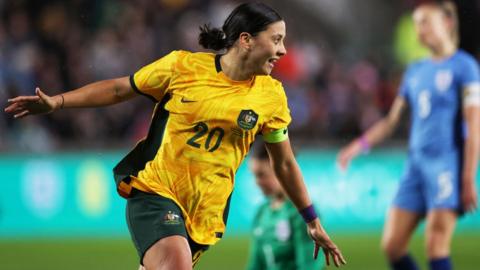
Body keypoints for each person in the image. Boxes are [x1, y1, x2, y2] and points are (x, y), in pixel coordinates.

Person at [5, 2, 346, 270]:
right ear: (246, 40)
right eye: (276, 39)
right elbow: (120, 89)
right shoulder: (183, 67)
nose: (284, 50)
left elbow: (284, 163)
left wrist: (311, 220)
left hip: (204, 215)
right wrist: (58, 102)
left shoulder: (271, 96)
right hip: (155, 191)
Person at [338, 1, 479, 270]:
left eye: (425, 21)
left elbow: (474, 126)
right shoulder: (415, 71)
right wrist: (358, 145)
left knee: (436, 245)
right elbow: (392, 121)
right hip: (415, 165)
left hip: (446, 163)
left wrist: (468, 177)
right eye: (416, 24)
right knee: (392, 246)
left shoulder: (465, 67)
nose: (419, 30)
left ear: (447, 22)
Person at [247, 142, 325, 270]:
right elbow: (255, 265)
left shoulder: (302, 215)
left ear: (280, 170)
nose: (257, 182)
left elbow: (309, 266)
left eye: (261, 175)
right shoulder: (261, 212)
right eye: (254, 175)